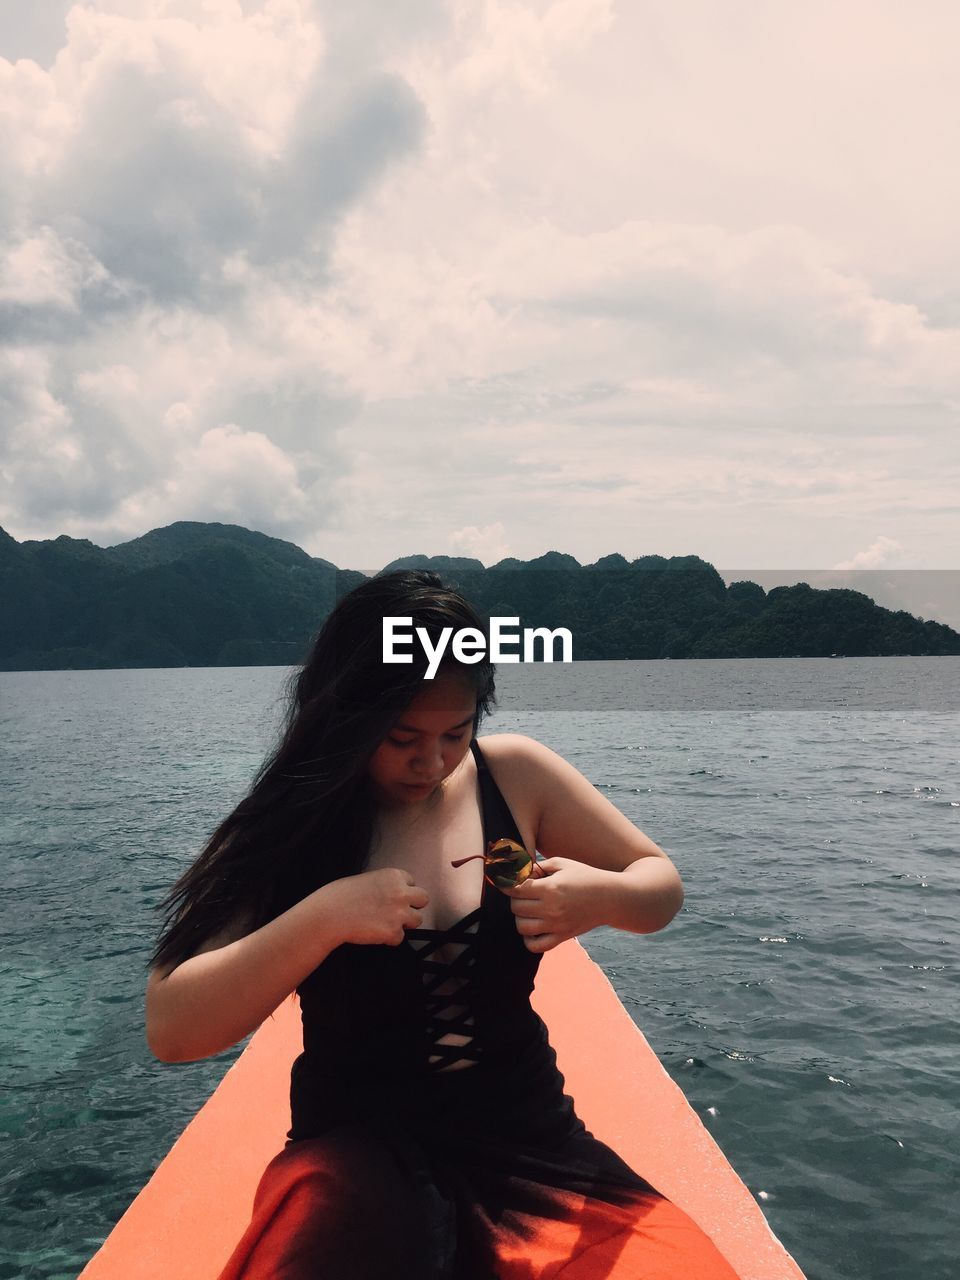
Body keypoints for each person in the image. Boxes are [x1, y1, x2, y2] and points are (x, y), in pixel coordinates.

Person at [146, 570, 738, 1279]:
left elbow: (659, 885)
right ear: (345, 715)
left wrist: (603, 896)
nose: (431, 762)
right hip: (356, 1147)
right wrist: (323, 917)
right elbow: (173, 1028)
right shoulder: (292, 820)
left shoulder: (515, 776)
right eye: (401, 738)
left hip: (528, 1132)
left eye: (455, 733)